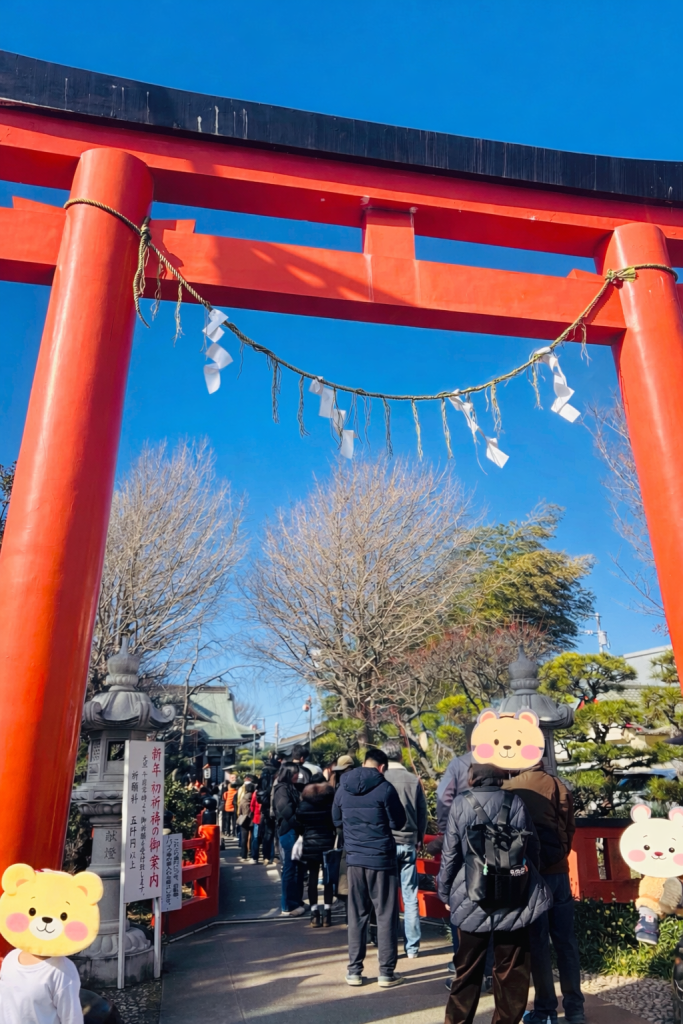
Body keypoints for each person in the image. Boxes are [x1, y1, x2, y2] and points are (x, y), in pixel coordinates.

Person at [437, 762, 552, 1024]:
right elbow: (530, 847)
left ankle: (457, 1021)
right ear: (499, 778)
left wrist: (445, 893)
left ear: (473, 779)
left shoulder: (461, 804)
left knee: (467, 968)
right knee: (512, 968)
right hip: (512, 891)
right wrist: (529, 879)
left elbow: (451, 854)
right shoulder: (515, 802)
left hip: (471, 893)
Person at [503, 763, 585, 1024]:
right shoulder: (557, 785)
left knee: (537, 943)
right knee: (566, 942)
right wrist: (559, 853)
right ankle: (575, 1008)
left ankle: (545, 1008)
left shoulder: (509, 787)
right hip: (558, 872)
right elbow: (568, 825)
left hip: (530, 871)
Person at [332, 747, 407, 988]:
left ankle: (354, 971)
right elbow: (399, 821)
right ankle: (386, 973)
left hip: (354, 859)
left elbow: (335, 819)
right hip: (381, 860)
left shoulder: (343, 787)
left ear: (364, 763)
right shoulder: (385, 788)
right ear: (382, 767)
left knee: (356, 916)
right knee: (385, 916)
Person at [382, 740, 427, 960]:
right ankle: (412, 948)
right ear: (400, 756)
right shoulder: (413, 780)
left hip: (387, 843)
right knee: (410, 896)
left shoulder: (381, 779)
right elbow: (422, 812)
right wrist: (419, 838)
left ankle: (389, 945)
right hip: (409, 841)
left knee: (388, 897)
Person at [296, 773, 337, 926]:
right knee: (327, 879)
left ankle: (314, 914)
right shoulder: (330, 803)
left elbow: (298, 823)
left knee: (312, 878)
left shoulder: (303, 804)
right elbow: (336, 822)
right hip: (328, 843)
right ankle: (327, 913)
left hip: (310, 844)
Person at [272, 763, 306, 916]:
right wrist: (299, 823)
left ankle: (296, 900)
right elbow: (286, 811)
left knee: (297, 868)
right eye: (295, 773)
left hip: (294, 831)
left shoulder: (291, 787)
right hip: (289, 830)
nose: (297, 776)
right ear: (287, 773)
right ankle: (287, 905)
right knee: (289, 868)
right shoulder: (281, 789)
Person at [237, 780, 255, 862]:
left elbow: (239, 810)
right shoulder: (255, 797)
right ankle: (252, 853)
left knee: (244, 838)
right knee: (253, 837)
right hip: (253, 819)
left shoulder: (243, 798)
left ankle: (244, 855)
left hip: (244, 819)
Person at [249, 786, 263, 863]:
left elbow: (252, 805)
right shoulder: (269, 790)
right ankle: (268, 857)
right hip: (266, 817)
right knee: (268, 838)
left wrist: (253, 813)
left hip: (257, 818)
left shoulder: (256, 793)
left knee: (255, 838)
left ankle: (255, 857)